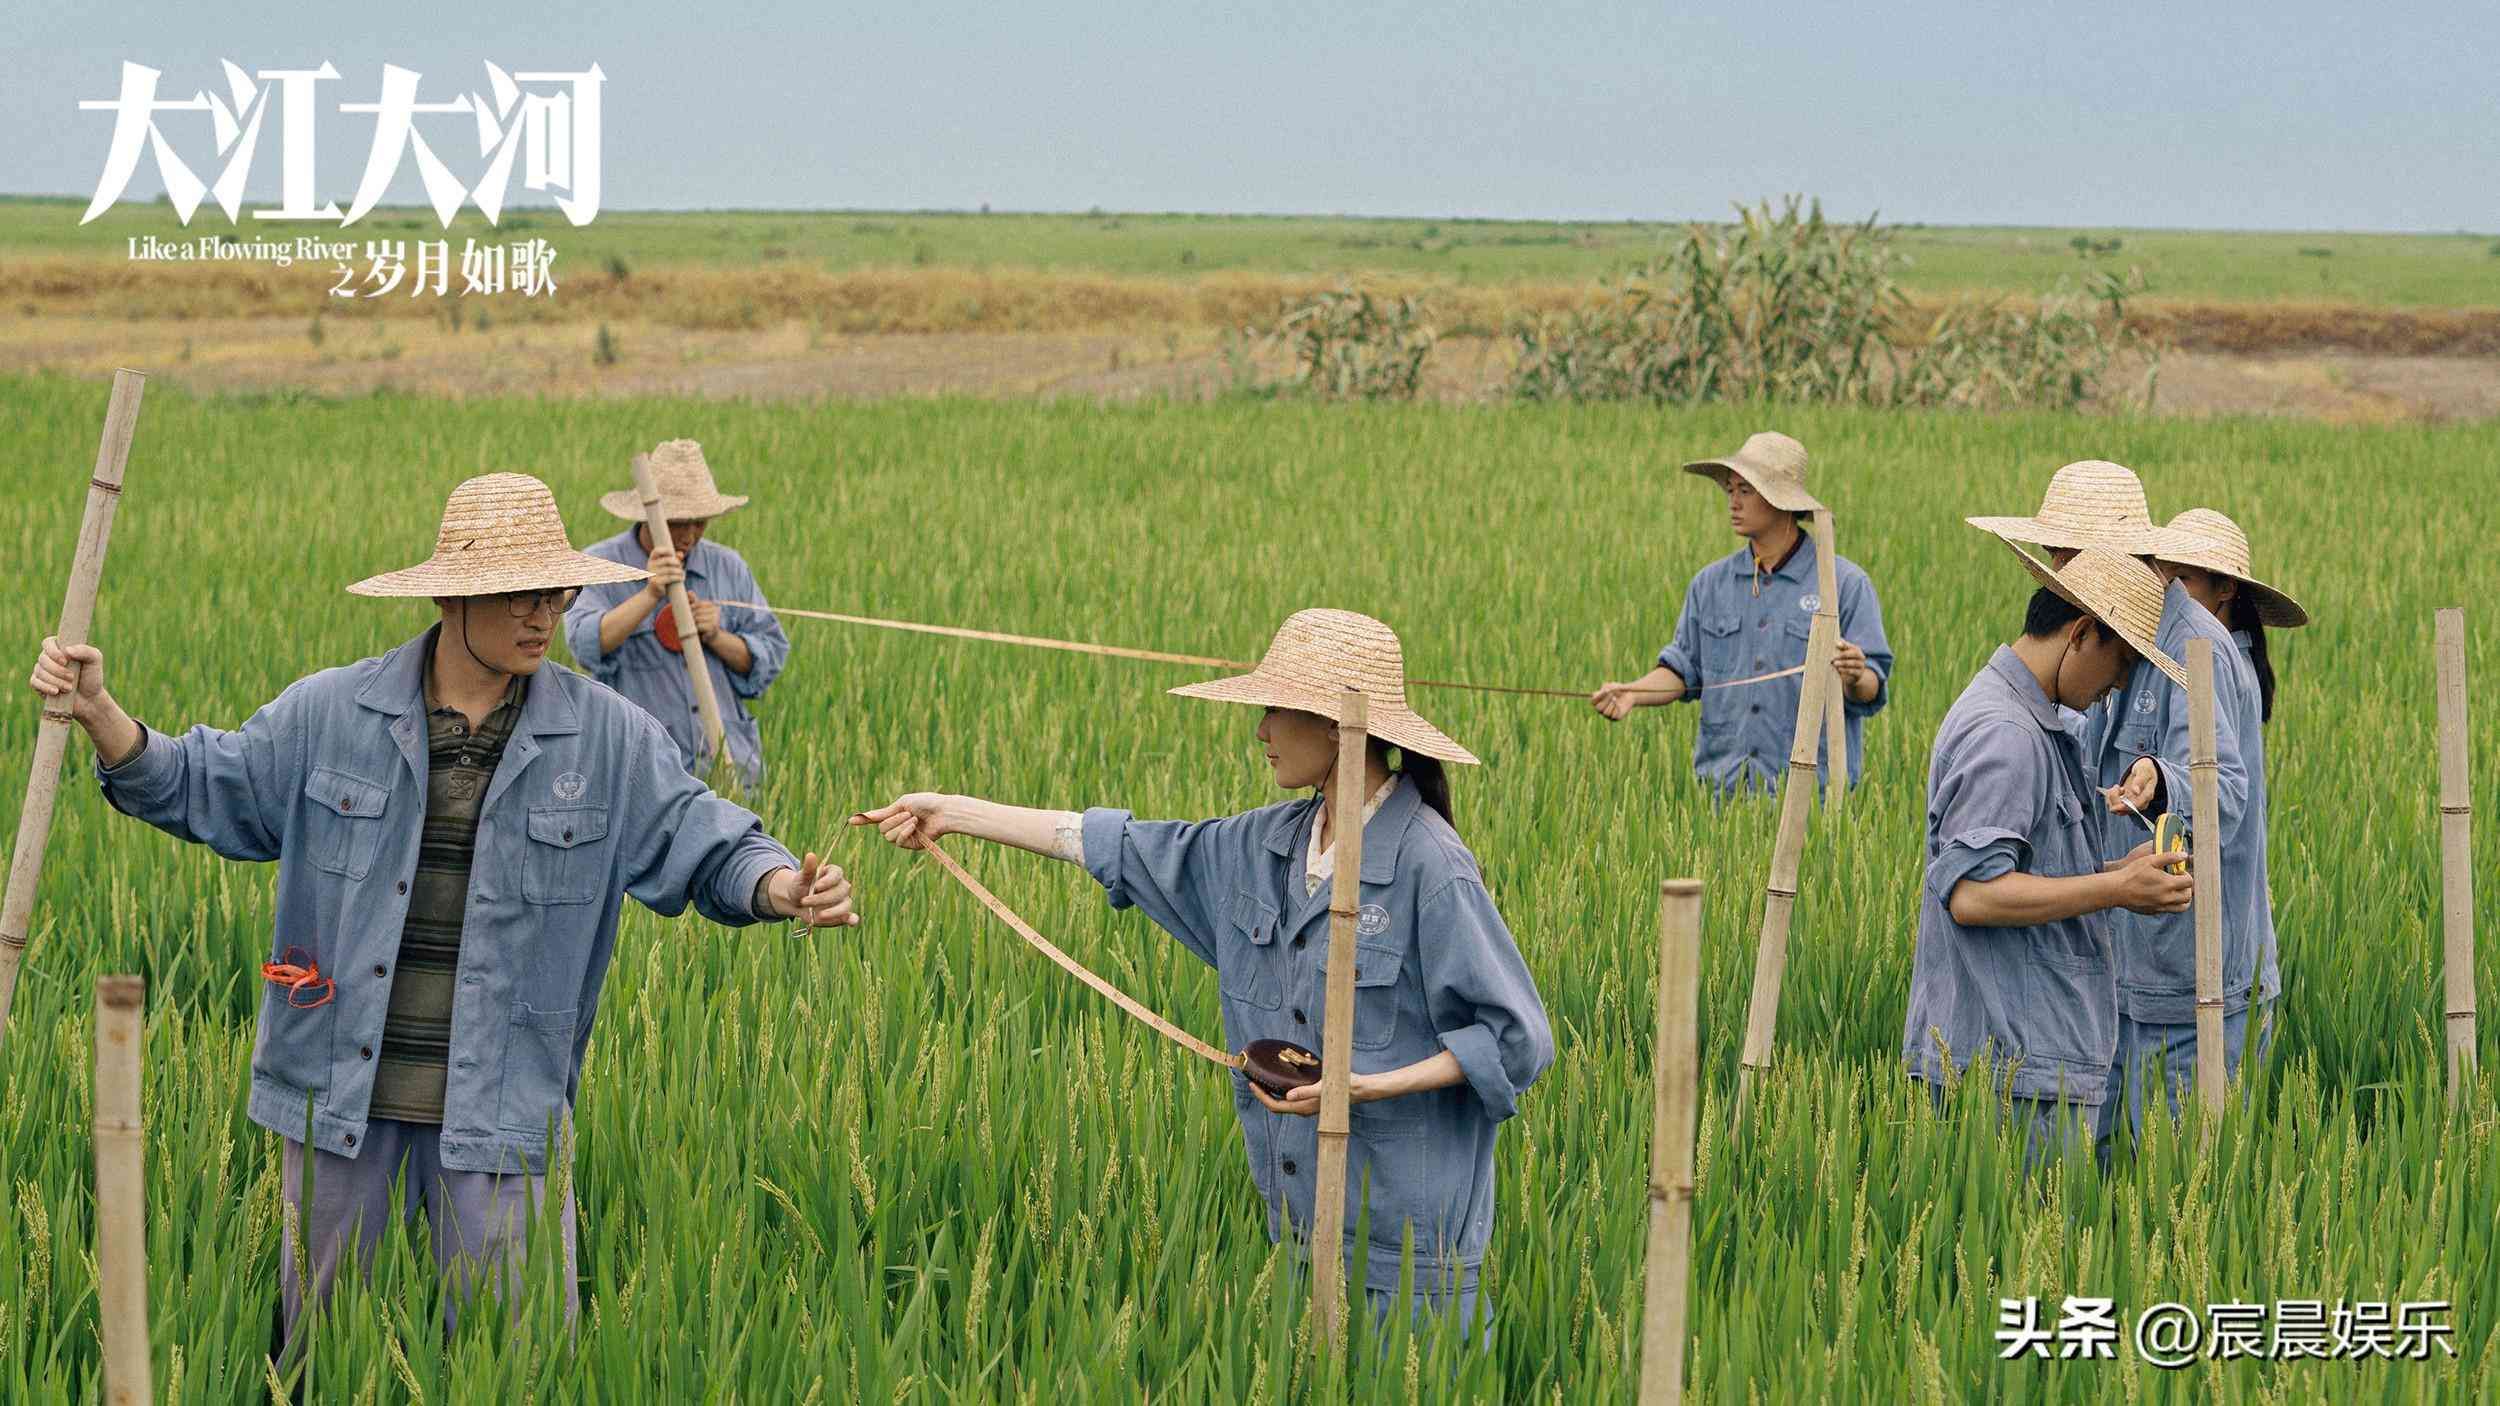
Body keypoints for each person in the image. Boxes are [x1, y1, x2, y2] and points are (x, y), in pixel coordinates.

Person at [29, 472, 859, 1367]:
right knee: (318, 1354)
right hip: (336, 1099)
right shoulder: (333, 714)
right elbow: (207, 783)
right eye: (520, 595)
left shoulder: (609, 740)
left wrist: (782, 887)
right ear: (451, 596)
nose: (545, 615)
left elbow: (705, 840)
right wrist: (103, 716)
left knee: (519, 1359)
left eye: (558, 592)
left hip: (506, 1100)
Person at [854, 608, 1553, 1343]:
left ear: (1337, 724)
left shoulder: (1429, 868)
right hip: (1294, 1237)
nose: (1260, 731)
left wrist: (1359, 1085)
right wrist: (955, 812)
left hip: (1407, 1261)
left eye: (1275, 709)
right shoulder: (1264, 846)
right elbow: (1122, 847)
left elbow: (1515, 1041)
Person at [1969, 463, 2266, 1140]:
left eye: (2067, 557)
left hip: (2187, 980)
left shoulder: (2197, 647)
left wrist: (2161, 777)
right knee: (2108, 1197)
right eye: (2052, 559)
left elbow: (2227, 793)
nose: (2057, 577)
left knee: (2177, 1198)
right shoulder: (2096, 632)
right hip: (2111, 959)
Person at [1901, 543, 2197, 1173]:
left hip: (2032, 1061)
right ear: (2082, 634)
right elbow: (1974, 895)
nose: (2113, 690)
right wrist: (2115, 892)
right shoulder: (2006, 735)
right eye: (2118, 667)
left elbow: (2028, 875)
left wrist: (2123, 872)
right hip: (2009, 1073)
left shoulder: (2032, 724)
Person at [1592, 431, 1892, 797]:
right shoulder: (1710, 585)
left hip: (1810, 796)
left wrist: (1855, 673)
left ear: (1780, 500)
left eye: (1745, 491)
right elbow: (1683, 670)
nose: (1733, 502)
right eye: (1730, 490)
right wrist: (1632, 693)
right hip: (1724, 793)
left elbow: (1871, 688)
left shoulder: (1842, 583)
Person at [2143, 506, 2307, 1093]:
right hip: (2225, 953)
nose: (2169, 593)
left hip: (2221, 959)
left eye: (2182, 579)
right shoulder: (2197, 658)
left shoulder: (2213, 664)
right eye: (2164, 576)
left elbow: (2219, 796)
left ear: (2225, 589)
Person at [565, 439, 791, 790]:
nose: (689, 535)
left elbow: (770, 656)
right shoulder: (602, 565)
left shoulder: (728, 566)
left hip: (728, 765)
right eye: (676, 523)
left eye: (699, 522)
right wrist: (649, 594)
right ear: (647, 515)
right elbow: (585, 642)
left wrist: (716, 635)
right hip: (641, 771)